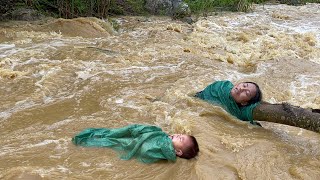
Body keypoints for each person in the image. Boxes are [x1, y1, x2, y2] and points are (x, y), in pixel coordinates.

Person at [72, 124, 199, 163]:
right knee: (114, 140)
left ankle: (86, 141)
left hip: (135, 144)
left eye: (181, 139)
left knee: (114, 141)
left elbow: (147, 151)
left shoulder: (164, 146)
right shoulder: (163, 141)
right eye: (181, 135)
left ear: (178, 152)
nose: (178, 135)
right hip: (136, 143)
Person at [195, 80, 262, 124]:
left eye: (246, 93)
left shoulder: (237, 114)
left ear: (244, 103)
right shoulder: (221, 86)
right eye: (244, 85)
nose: (241, 88)